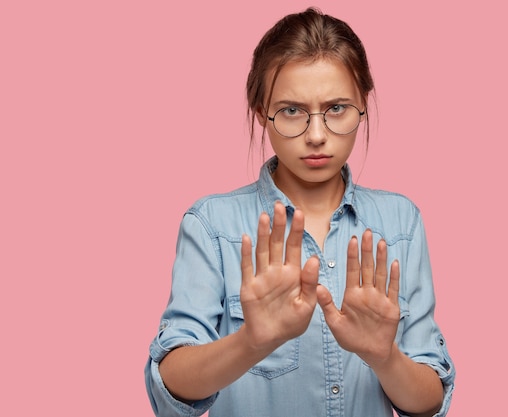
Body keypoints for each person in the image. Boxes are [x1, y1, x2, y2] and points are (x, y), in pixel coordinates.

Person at [145, 7, 455, 417]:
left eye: (337, 109)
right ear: (261, 111)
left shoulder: (401, 223)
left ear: (363, 104)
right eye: (291, 110)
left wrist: (383, 357)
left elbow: (430, 401)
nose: (315, 135)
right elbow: (168, 390)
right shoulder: (211, 225)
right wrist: (250, 342)